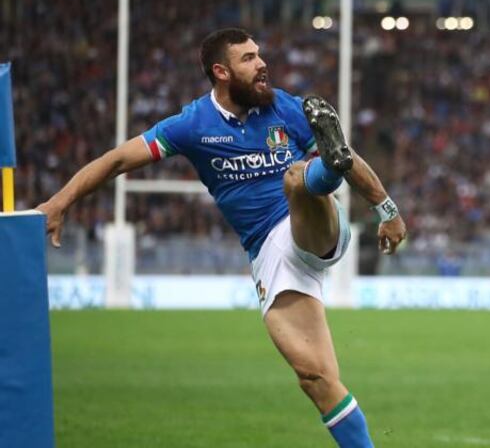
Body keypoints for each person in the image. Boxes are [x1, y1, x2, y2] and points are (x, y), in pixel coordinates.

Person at [36, 28, 406, 448]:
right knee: (315, 378)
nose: (262, 63)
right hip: (268, 255)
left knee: (296, 178)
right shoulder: (193, 124)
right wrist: (59, 202)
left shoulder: (284, 107)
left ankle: (328, 168)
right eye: (248, 58)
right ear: (221, 72)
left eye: (259, 54)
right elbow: (119, 159)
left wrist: (387, 210)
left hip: (314, 222)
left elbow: (353, 163)